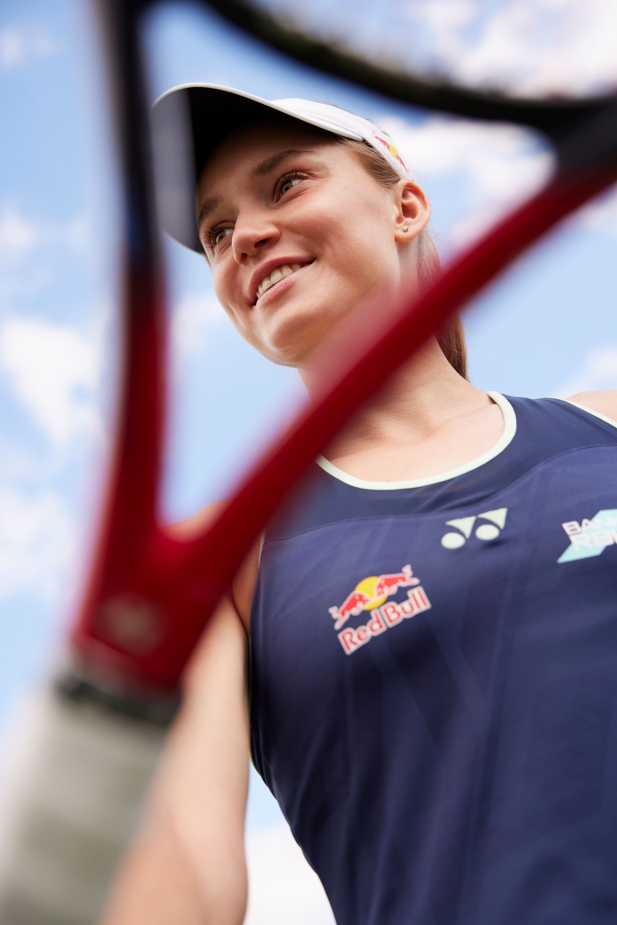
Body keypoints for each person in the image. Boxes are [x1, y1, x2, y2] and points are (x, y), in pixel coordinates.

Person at [101, 85, 617, 924]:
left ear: (404, 208)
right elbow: (180, 875)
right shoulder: (220, 558)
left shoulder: (606, 427)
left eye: (286, 183)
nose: (245, 238)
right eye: (217, 233)